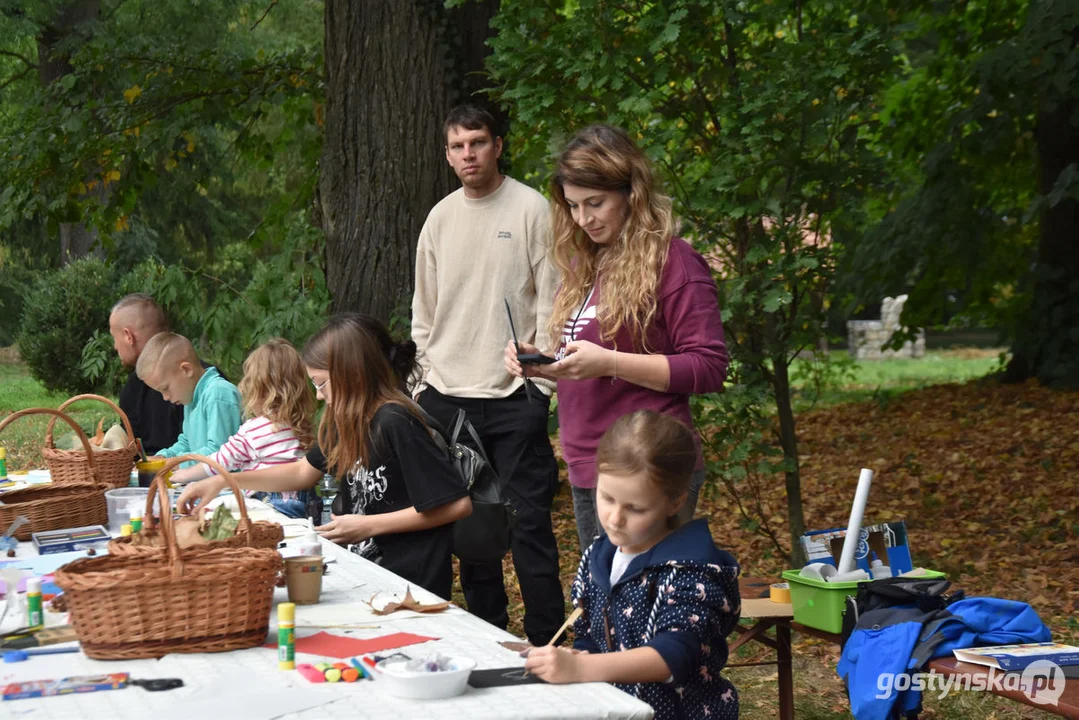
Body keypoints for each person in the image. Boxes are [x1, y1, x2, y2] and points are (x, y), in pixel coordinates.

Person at [505, 124, 729, 552]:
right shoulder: (585, 263)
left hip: (648, 471)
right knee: (605, 606)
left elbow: (709, 366)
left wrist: (609, 362)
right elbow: (589, 356)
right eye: (572, 205)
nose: (583, 218)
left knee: (642, 609)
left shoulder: (673, 260)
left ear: (632, 193)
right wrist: (543, 361)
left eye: (595, 203)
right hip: (590, 463)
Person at [176, 314, 472, 599]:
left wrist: (368, 525)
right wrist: (225, 480)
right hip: (367, 575)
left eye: (321, 383)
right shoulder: (348, 418)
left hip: (410, 585)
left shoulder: (395, 421)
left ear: (352, 374)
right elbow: (303, 472)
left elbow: (456, 505)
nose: (318, 395)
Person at [412, 104, 565, 645]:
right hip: (446, 396)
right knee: (471, 531)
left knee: (529, 527)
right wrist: (426, 376)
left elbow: (554, 301)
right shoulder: (439, 218)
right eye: (457, 146)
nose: (467, 154)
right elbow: (423, 311)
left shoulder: (532, 210)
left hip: (512, 394)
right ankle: (486, 638)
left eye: (477, 142)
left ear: (498, 145)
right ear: (447, 153)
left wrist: (540, 382)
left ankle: (550, 644)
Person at [524, 410, 741, 720]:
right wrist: (574, 656)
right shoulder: (598, 557)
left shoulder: (693, 573)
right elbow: (589, 635)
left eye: (635, 508)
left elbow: (672, 656)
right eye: (607, 498)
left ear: (675, 502)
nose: (614, 518)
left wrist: (579, 667)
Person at [168, 338, 315, 518]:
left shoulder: (254, 430)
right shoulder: (301, 425)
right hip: (305, 509)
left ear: (255, 388)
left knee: (210, 511)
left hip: (269, 508)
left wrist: (183, 475)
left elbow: (220, 462)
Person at [137, 332, 242, 464]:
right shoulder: (191, 398)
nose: (165, 397)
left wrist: (173, 463)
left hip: (229, 482)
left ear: (186, 369)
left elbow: (219, 453)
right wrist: (164, 456)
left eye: (165, 388)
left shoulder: (218, 394)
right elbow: (186, 442)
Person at [110, 294, 183, 455]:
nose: (115, 346)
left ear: (128, 336)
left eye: (114, 338)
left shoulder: (202, 384)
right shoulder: (133, 386)